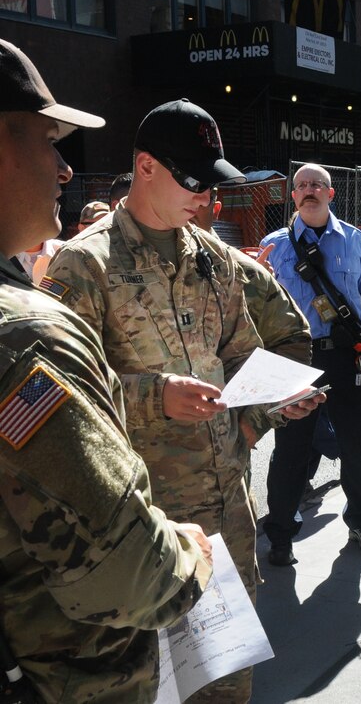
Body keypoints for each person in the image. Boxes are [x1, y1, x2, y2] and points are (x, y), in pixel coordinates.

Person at [47, 98, 320, 704]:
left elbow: (247, 353)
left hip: (227, 525)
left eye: (211, 182)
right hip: (142, 537)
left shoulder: (215, 260)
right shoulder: (83, 265)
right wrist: (154, 398)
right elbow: (60, 408)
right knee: (154, 691)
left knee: (226, 688)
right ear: (145, 167)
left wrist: (266, 406)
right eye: (192, 181)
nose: (205, 199)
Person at [0, 39, 212, 701]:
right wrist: (189, 555)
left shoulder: (210, 258)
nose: (65, 169)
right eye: (47, 141)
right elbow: (129, 569)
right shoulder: (24, 337)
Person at [260, 163, 361, 566]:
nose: (310, 190)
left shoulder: (353, 240)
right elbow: (256, 307)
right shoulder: (274, 245)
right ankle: (280, 536)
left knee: (355, 446)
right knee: (290, 450)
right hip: (294, 357)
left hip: (344, 354)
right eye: (302, 185)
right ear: (293, 196)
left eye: (317, 184)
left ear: (330, 194)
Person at [192, 186, 311, 366]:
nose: (190, 204)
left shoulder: (244, 271)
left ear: (215, 210)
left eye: (200, 199)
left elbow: (291, 341)